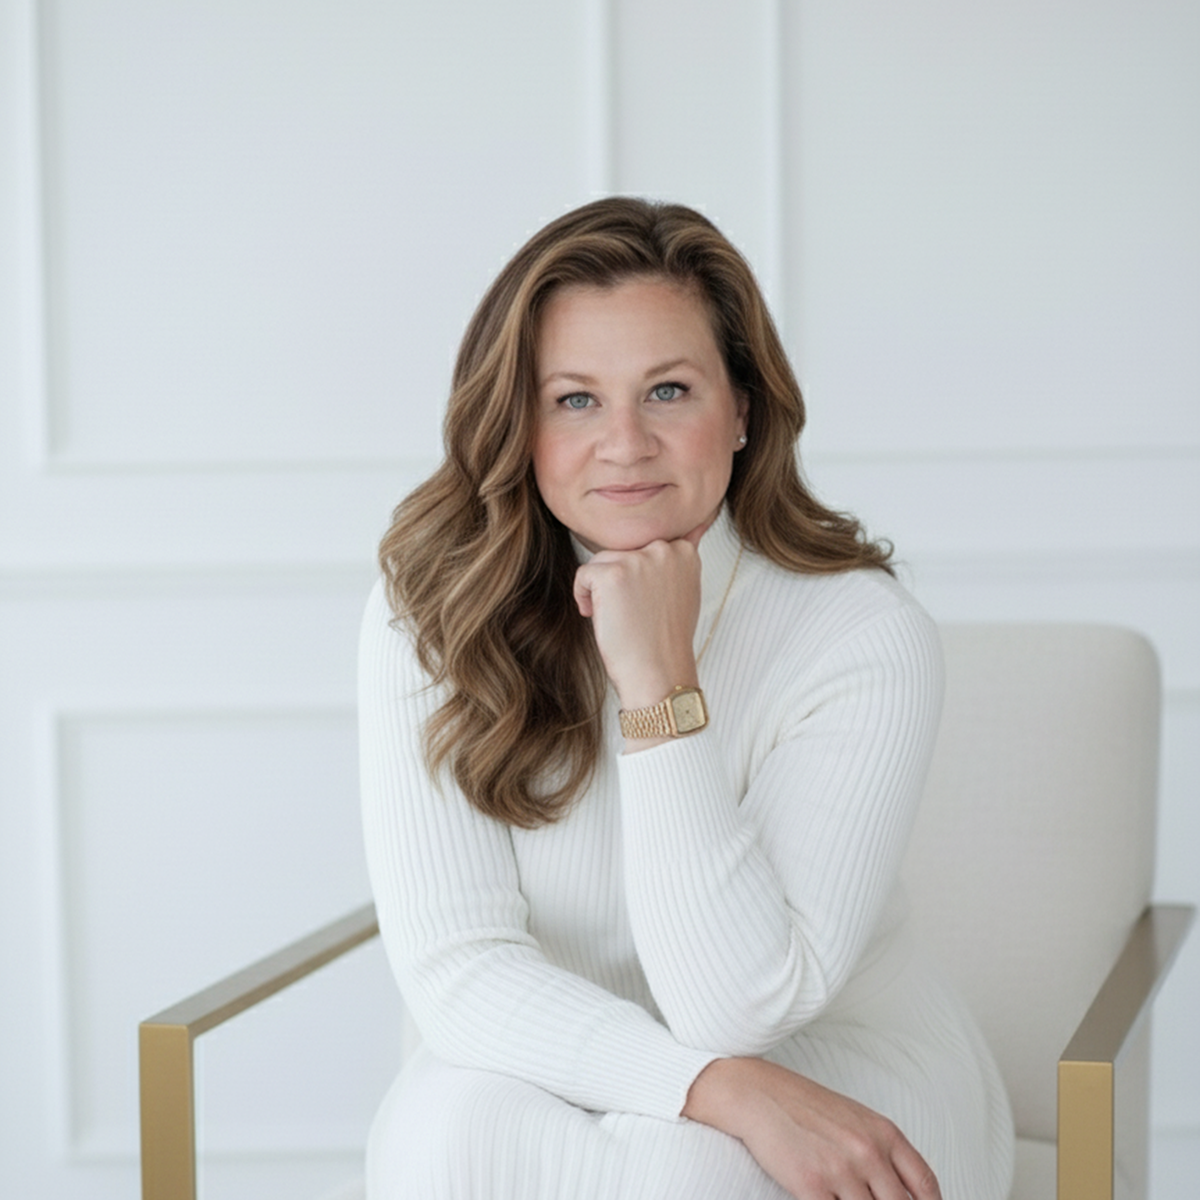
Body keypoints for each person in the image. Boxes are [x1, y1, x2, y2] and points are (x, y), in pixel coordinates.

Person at [359, 197, 1014, 1199]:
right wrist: (709, 1086)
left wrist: (659, 682)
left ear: (744, 408)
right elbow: (461, 972)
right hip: (557, 1058)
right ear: (517, 422)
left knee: (684, 1167)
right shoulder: (432, 610)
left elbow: (740, 1006)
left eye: (668, 390)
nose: (625, 443)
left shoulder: (858, 631)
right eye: (575, 399)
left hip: (834, 1068)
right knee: (446, 1132)